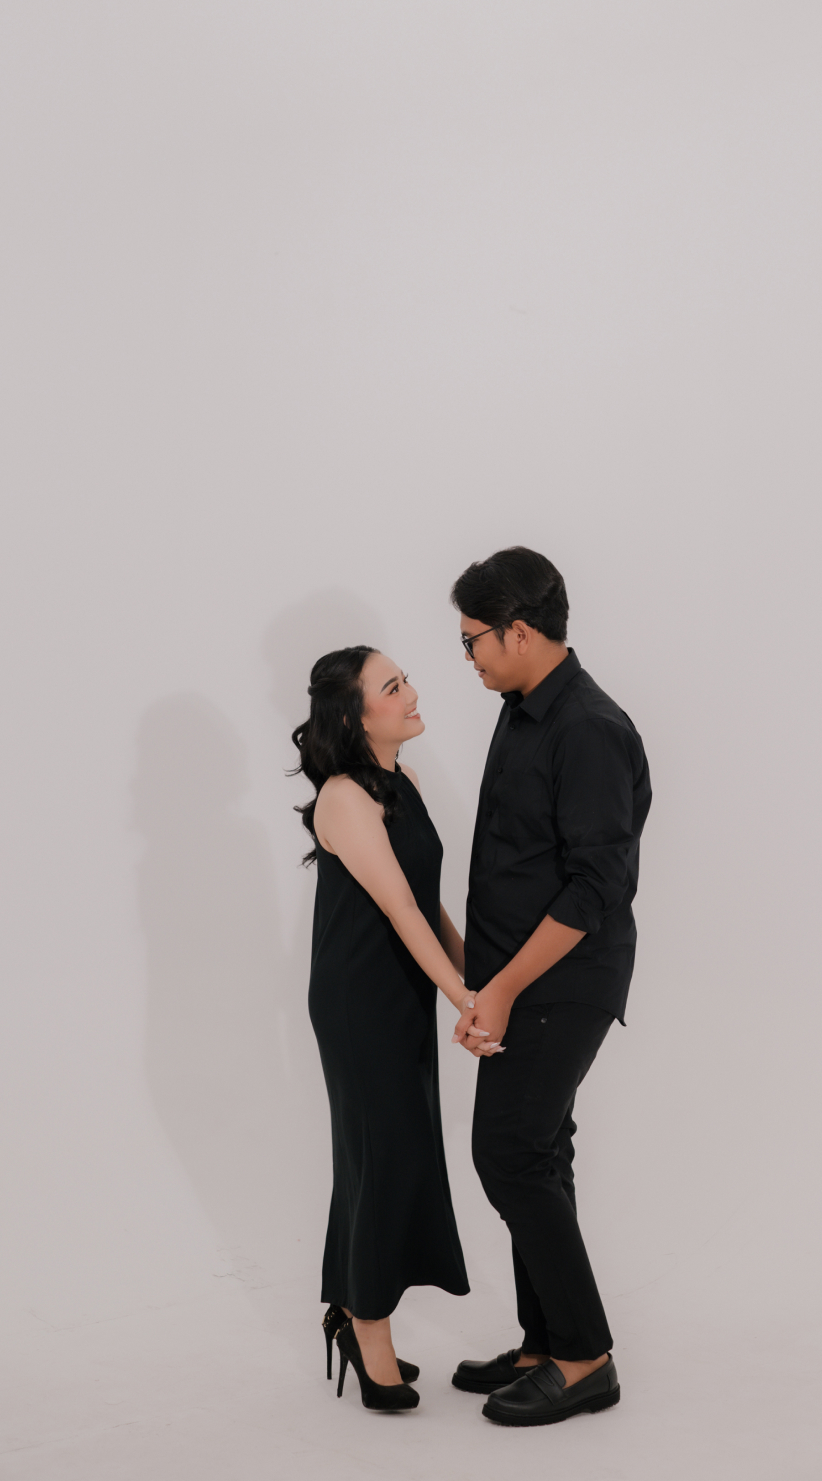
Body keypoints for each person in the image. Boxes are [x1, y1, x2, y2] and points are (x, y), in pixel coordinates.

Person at [448, 547, 651, 1427]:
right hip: (516, 978)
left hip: (564, 980)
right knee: (538, 1151)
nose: (467, 657)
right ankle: (544, 1341)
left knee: (510, 1152)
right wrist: (480, 979)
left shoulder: (590, 728)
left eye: (473, 640)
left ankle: (584, 1357)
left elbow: (595, 888)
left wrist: (501, 989)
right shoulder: (521, 707)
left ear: (519, 631)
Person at [292, 645, 489, 1413]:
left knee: (385, 1154)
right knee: (381, 1156)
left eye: (404, 680)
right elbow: (399, 910)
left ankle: (350, 1307)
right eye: (392, 686)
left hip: (401, 991)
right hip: (359, 999)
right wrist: (463, 998)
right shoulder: (344, 796)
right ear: (354, 716)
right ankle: (367, 1330)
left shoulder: (400, 781)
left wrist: (474, 981)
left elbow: (425, 901)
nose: (411, 693)